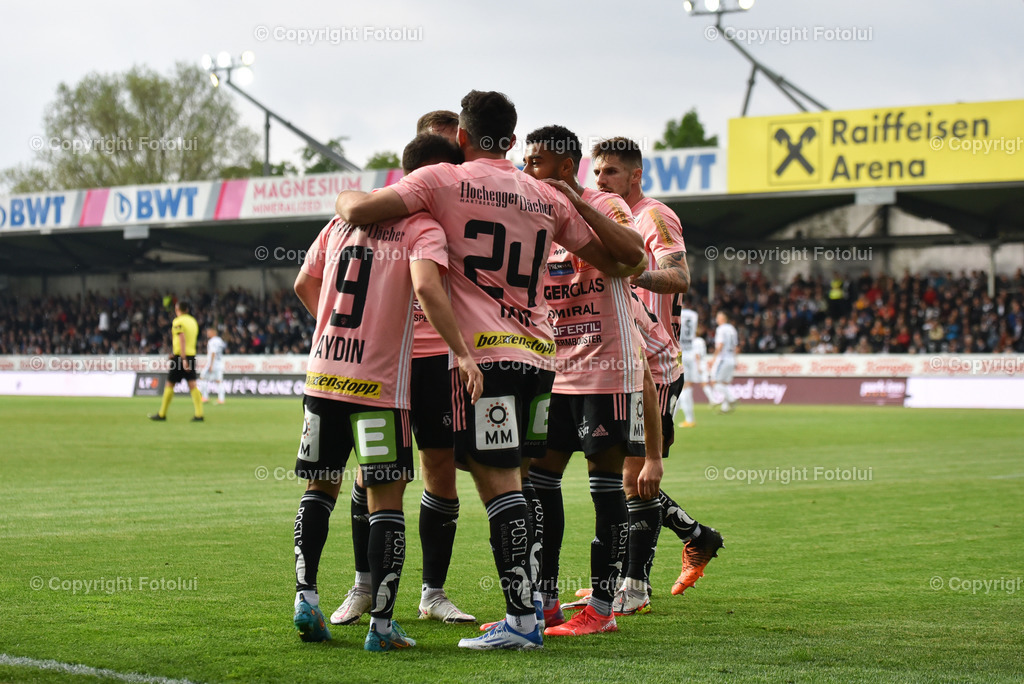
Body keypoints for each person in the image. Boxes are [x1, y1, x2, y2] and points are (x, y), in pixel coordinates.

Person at [335, 90, 644, 651]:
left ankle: (522, 621)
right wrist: (575, 198)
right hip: (540, 360)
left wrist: (343, 195)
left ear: (461, 137)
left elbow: (359, 212)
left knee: (495, 483)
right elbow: (629, 259)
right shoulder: (543, 193)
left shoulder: (443, 181)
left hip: (485, 360)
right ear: (513, 133)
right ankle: (530, 607)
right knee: (517, 481)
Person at [290, 133, 482, 652]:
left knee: (320, 487)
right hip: (380, 386)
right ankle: (381, 626)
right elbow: (424, 288)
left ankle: (305, 599)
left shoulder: (340, 222)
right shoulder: (423, 228)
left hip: (325, 376)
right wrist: (462, 352)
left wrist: (337, 334)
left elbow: (303, 285)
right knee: (386, 499)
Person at [512, 125, 657, 637]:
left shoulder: (606, 202)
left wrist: (578, 202)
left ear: (565, 167)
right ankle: (546, 600)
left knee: (604, 486)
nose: (527, 169)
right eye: (526, 161)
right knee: (539, 482)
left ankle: (602, 608)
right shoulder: (532, 211)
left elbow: (634, 255)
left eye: (536, 162)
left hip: (606, 367)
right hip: (555, 369)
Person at [592, 137, 723, 597]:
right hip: (619, 359)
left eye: (610, 171)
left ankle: (633, 585)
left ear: (635, 175)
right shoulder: (609, 220)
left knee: (632, 474)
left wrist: (635, 273)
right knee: (615, 474)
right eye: (597, 172)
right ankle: (693, 536)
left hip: (655, 361)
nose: (600, 180)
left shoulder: (653, 215)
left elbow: (680, 275)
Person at [149, 299, 203, 422]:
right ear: (187, 310)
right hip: (191, 355)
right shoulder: (193, 322)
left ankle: (162, 414)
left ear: (177, 310)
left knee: (170, 384)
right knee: (192, 384)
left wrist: (182, 358)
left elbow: (182, 338)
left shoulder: (178, 322)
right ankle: (199, 414)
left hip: (181, 357)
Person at [674, 306, 703, 427]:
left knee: (680, 386)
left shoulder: (677, 313)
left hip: (680, 353)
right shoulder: (694, 315)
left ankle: (689, 419)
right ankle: (685, 418)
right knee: (687, 386)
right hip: (691, 352)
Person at [709, 310, 739, 413]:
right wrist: (735, 360)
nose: (716, 319)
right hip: (731, 358)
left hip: (723, 358)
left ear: (722, 318)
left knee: (714, 382)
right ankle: (725, 408)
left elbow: (720, 345)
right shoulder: (732, 329)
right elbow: (736, 346)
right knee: (725, 383)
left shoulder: (720, 329)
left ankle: (731, 399)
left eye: (718, 317)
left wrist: (714, 358)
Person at [200, 328, 227, 404]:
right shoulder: (220, 340)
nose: (207, 333)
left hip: (212, 363)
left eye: (209, 332)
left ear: (213, 332)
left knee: (202, 377)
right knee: (219, 381)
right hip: (219, 363)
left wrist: (211, 365)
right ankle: (221, 399)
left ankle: (205, 397)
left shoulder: (212, 341)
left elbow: (213, 352)